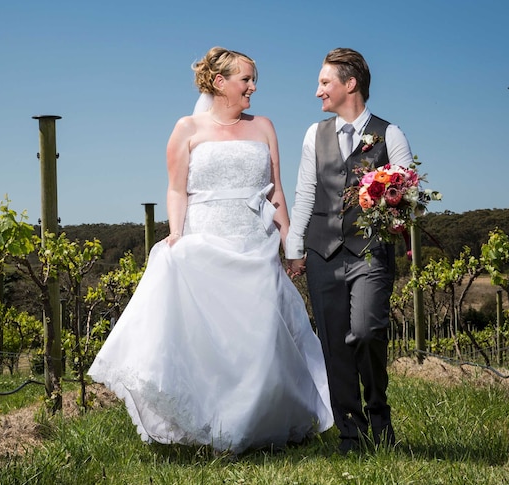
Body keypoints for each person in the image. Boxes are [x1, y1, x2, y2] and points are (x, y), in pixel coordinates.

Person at [88, 46, 333, 455]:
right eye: (246, 79)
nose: (253, 87)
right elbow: (176, 188)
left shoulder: (265, 127)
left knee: (256, 336)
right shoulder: (186, 128)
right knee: (211, 339)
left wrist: (291, 246)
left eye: (254, 80)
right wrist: (177, 234)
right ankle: (209, 425)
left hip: (255, 244)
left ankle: (253, 424)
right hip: (206, 240)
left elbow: (276, 194)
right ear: (220, 83)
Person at [286, 47, 415, 454]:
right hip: (323, 252)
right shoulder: (314, 134)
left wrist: (395, 203)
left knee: (365, 332)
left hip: (371, 253)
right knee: (334, 346)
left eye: (325, 82)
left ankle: (379, 413)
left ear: (350, 84)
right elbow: (305, 193)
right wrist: (294, 248)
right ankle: (351, 434)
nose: (318, 91)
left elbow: (410, 196)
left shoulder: (389, 134)